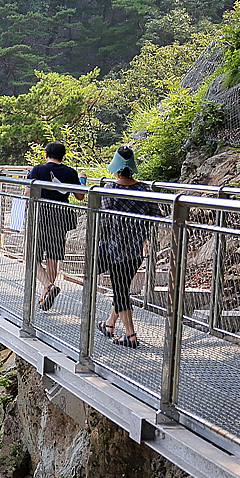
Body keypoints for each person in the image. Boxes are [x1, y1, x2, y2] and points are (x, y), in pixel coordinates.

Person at [96, 145, 161, 348]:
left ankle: (131, 335)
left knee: (120, 292)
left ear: (115, 167)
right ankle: (109, 324)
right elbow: (155, 215)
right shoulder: (144, 189)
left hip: (115, 249)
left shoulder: (111, 189)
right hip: (136, 249)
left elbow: (105, 218)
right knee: (122, 287)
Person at [28, 141, 85, 311]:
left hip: (41, 216)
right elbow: (80, 196)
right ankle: (46, 294)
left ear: (46, 155)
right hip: (60, 217)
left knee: (32, 257)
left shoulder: (38, 170)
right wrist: (81, 180)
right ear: (63, 156)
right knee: (52, 257)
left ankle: (48, 286)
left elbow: (27, 192)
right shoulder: (70, 172)